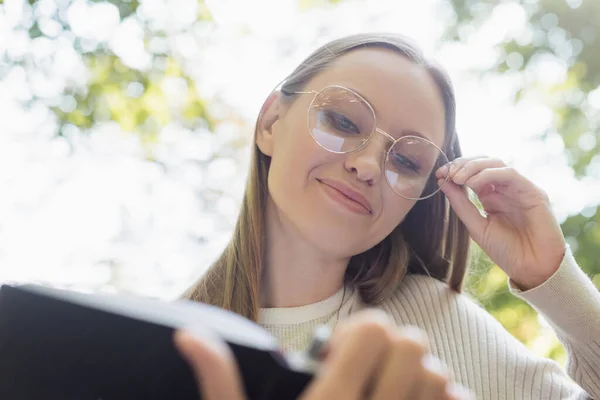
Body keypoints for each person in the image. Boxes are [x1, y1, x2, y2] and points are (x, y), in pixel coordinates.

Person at [174, 33, 600, 399]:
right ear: (271, 122)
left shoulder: (438, 320)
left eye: (409, 162)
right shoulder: (157, 347)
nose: (369, 166)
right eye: (342, 121)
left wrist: (555, 281)